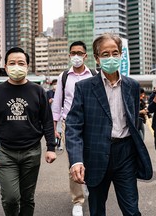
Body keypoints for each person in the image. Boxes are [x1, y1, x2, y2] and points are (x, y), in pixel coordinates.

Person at [66, 33, 153, 216]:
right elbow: (73, 126)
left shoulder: (132, 86)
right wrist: (76, 160)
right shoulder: (84, 88)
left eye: (115, 53)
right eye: (105, 54)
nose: (111, 58)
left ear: (121, 54)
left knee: (131, 209)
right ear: (97, 58)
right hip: (96, 155)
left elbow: (133, 120)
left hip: (125, 154)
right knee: (97, 210)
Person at [0, 47, 57, 216]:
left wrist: (51, 148)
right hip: (5, 152)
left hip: (31, 151)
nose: (17, 66)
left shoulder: (38, 91)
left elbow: (47, 120)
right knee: (10, 198)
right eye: (12, 63)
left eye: (21, 63)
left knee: (27, 198)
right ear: (6, 67)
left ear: (27, 66)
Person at [51, 41, 95, 216]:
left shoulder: (94, 74)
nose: (76, 56)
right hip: (70, 124)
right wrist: (55, 128)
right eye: (73, 53)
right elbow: (57, 102)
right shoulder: (64, 76)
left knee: (91, 159)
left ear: (85, 55)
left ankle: (89, 185)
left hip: (91, 123)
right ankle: (77, 200)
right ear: (69, 55)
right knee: (74, 161)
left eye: (79, 52)